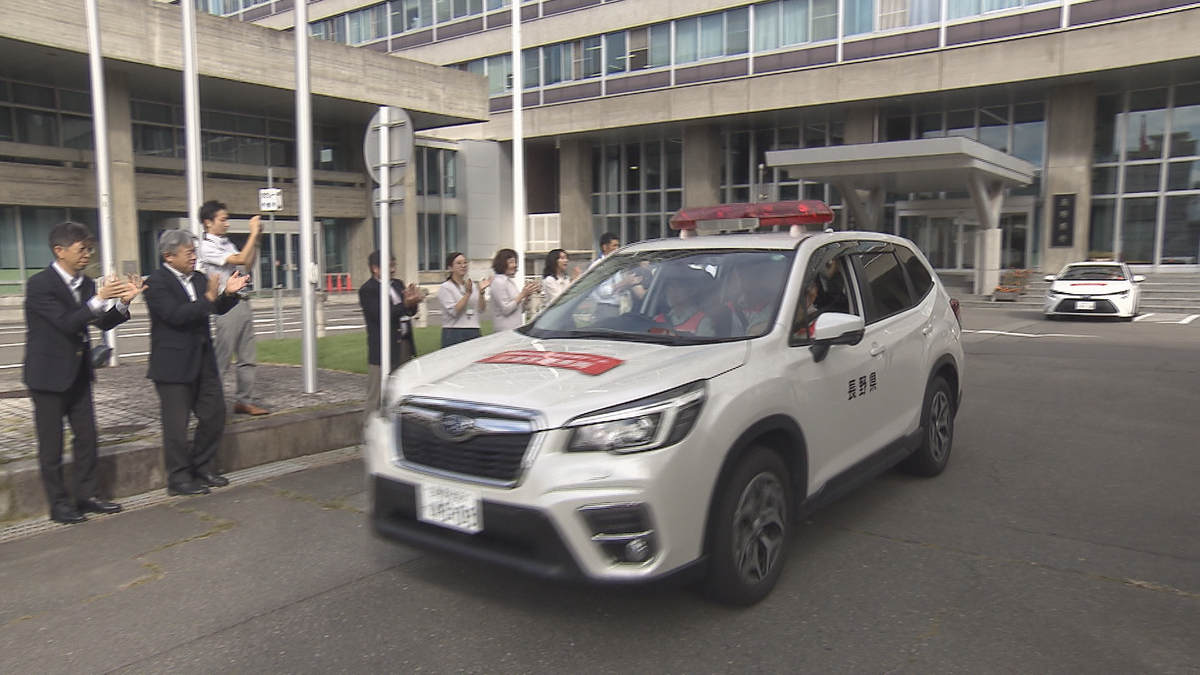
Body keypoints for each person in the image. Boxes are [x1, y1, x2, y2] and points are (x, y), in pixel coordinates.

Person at [23, 221, 141, 524]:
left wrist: (122, 304)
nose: (87, 254)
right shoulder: (40, 284)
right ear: (59, 251)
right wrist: (99, 300)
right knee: (51, 445)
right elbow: (65, 322)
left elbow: (100, 323)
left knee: (87, 437)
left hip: (78, 373)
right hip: (47, 376)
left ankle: (88, 495)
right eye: (81, 249)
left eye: (89, 249)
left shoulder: (88, 284)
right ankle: (59, 504)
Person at [145, 228, 248, 496]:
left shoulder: (200, 279)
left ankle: (202, 465)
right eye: (189, 252)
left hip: (203, 361)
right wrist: (210, 299)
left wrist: (228, 295)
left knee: (214, 415)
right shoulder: (156, 283)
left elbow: (213, 308)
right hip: (172, 366)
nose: (194, 256)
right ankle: (178, 478)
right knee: (176, 427)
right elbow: (175, 315)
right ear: (169, 256)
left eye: (194, 251)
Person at [196, 199, 268, 416]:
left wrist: (255, 241)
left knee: (247, 357)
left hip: (243, 300)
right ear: (208, 222)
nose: (226, 224)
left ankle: (244, 400)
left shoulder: (226, 243)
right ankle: (209, 401)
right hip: (226, 304)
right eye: (222, 220)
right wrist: (253, 233)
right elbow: (238, 258)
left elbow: (246, 263)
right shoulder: (206, 246)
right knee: (222, 357)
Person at [359, 250, 423, 421]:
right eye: (389, 266)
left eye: (394, 265)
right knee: (377, 394)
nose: (393, 270)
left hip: (404, 343)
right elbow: (382, 315)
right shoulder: (368, 289)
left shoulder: (397, 284)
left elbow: (408, 311)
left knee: (402, 390)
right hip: (382, 348)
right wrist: (405, 304)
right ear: (375, 268)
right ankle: (369, 433)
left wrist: (413, 302)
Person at [437, 251, 490, 347]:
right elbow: (454, 311)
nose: (463, 265)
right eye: (459, 263)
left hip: (473, 328)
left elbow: (481, 309)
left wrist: (481, 292)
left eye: (465, 263)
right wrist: (467, 294)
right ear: (450, 268)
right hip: (455, 331)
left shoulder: (471, 285)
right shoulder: (446, 287)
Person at [654, 268, 716, 337]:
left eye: (680, 286)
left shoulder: (703, 321)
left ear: (692, 290)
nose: (674, 290)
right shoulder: (658, 319)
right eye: (671, 285)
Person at [489, 248, 539, 332]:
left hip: (516, 328)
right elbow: (506, 310)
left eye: (515, 262)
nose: (514, 265)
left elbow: (520, 309)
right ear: (502, 263)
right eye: (511, 262)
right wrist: (522, 294)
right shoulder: (498, 282)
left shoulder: (510, 282)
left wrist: (527, 295)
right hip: (504, 329)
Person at [590, 233, 624, 320]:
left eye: (618, 246)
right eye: (614, 246)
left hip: (617, 306)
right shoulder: (600, 266)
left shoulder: (615, 264)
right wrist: (624, 283)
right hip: (606, 307)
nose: (617, 249)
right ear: (605, 247)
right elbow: (603, 291)